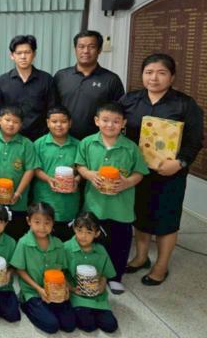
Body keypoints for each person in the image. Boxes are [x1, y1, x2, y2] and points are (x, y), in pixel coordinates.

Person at [120, 53, 204, 286]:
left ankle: (161, 265)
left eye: (161, 73)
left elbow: (195, 140)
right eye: (149, 72)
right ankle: (141, 257)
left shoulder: (185, 104)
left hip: (170, 173)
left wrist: (179, 163)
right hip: (138, 171)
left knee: (167, 218)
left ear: (172, 76)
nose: (154, 78)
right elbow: (115, 124)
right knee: (140, 214)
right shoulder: (130, 100)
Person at [76, 102, 149, 294]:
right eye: (105, 120)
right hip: (94, 205)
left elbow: (139, 172)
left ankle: (115, 277)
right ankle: (92, 274)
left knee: (120, 243)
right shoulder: (87, 143)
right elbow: (80, 165)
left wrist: (127, 183)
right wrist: (89, 174)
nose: (110, 125)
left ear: (123, 123)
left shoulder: (130, 147)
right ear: (96, 121)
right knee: (92, 241)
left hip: (121, 208)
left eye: (116, 121)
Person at [10, 202, 76, 334]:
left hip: (54, 291)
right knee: (52, 326)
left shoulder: (58, 244)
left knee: (69, 325)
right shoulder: (23, 243)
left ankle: (47, 308)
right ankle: (25, 304)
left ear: (53, 223)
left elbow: (61, 271)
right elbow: (20, 270)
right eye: (37, 222)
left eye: (47, 223)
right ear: (28, 221)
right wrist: (39, 289)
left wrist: (65, 287)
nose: (42, 227)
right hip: (33, 291)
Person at [54, 30, 125, 140]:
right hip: (64, 140)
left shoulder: (111, 79)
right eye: (81, 46)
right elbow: (52, 107)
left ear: (99, 50)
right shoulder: (61, 76)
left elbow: (118, 113)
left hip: (97, 142)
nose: (86, 51)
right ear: (75, 49)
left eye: (91, 47)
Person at [0, 106, 38, 240]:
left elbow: (30, 170)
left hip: (18, 201)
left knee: (15, 234)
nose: (11, 124)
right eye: (7, 120)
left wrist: (18, 193)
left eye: (15, 122)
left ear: (21, 125)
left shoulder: (26, 144)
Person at [0, 35, 57, 141]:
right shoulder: (2, 81)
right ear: (12, 55)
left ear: (34, 54)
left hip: (39, 140)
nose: (23, 56)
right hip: (11, 140)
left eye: (27, 52)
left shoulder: (46, 80)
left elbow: (52, 111)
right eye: (19, 53)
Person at [64, 211, 119, 333]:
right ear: (74, 229)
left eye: (89, 232)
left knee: (110, 326)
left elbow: (105, 273)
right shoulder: (66, 248)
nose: (83, 236)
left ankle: (94, 310)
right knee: (89, 326)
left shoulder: (100, 250)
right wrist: (71, 288)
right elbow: (60, 273)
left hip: (97, 297)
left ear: (97, 233)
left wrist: (102, 285)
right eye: (80, 231)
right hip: (76, 295)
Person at [33, 106, 81, 241]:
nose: (59, 125)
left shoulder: (79, 145)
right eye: (54, 122)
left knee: (66, 241)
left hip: (69, 203)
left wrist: (77, 180)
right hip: (45, 198)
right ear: (48, 123)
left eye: (63, 121)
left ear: (70, 123)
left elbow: (82, 169)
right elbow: (35, 169)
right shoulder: (38, 144)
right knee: (43, 238)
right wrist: (48, 179)